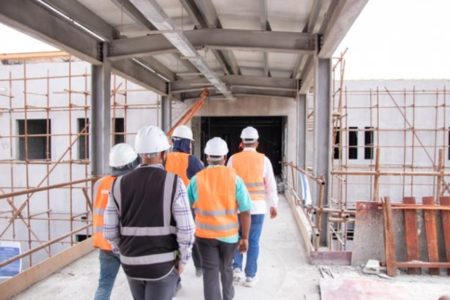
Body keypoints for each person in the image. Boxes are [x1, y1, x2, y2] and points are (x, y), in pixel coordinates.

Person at [104, 125, 195, 300]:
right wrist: (182, 261)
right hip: (163, 265)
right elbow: (187, 231)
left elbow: (109, 231)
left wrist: (122, 253)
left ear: (139, 154)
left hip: (131, 263)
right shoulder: (174, 183)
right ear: (163, 154)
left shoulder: (117, 184)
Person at [187, 137, 251, 300]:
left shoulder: (196, 179)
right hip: (229, 237)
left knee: (210, 272)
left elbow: (186, 209)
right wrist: (245, 238)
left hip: (204, 236)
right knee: (226, 268)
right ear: (225, 157)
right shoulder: (235, 179)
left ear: (206, 157)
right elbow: (245, 211)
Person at [228, 126, 279, 287]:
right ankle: (250, 276)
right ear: (257, 143)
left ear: (242, 142)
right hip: (257, 208)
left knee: (237, 237)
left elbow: (228, 184)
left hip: (237, 208)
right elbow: (271, 184)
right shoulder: (264, 160)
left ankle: (236, 269)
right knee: (254, 241)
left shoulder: (233, 159)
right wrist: (274, 204)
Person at [93, 143, 138, 300]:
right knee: (139, 286)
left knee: (104, 285)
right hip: (126, 244)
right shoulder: (130, 184)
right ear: (132, 163)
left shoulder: (99, 184)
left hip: (104, 243)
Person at [165, 125, 204, 276]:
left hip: (166, 206)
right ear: (186, 143)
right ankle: (200, 268)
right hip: (187, 206)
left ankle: (174, 278)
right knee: (192, 237)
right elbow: (203, 179)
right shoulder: (191, 160)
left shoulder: (164, 158)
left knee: (171, 240)